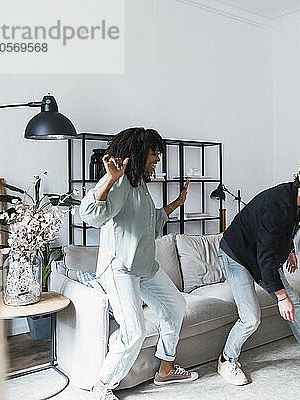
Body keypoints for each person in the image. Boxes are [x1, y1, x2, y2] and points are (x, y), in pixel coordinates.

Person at [79, 127, 198, 400]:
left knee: (175, 306)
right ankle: (101, 387)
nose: (157, 158)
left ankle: (165, 369)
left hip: (144, 267)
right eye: (154, 152)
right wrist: (108, 181)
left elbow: (151, 221)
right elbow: (89, 214)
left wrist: (176, 203)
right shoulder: (119, 183)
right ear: (139, 151)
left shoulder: (140, 186)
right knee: (134, 331)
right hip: (119, 268)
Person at [216, 163, 300, 386]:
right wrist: (281, 297)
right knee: (251, 318)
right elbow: (265, 255)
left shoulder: (297, 201)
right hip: (237, 255)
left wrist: (289, 249)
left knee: (294, 303)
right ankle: (226, 360)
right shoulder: (276, 205)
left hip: (260, 254)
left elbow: (286, 229)